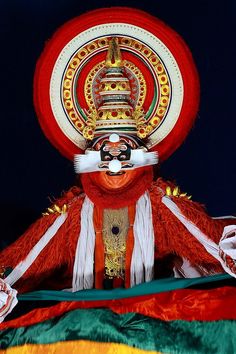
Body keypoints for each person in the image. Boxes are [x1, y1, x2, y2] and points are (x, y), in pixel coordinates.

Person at [0, 8, 235, 322]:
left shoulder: (162, 207)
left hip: (148, 320)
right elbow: (24, 262)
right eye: (104, 152)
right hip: (85, 322)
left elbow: (210, 242)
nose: (113, 164)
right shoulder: (71, 215)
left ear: (141, 154)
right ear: (89, 157)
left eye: (123, 152)